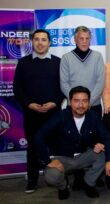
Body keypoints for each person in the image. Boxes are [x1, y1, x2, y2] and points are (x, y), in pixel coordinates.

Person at [34, 86, 110, 200]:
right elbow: (39, 137)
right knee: (51, 176)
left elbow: (106, 137)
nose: (81, 105)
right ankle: (63, 186)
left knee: (103, 155)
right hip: (62, 158)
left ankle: (89, 182)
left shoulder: (94, 117)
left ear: (89, 103)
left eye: (84, 101)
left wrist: (109, 158)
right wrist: (48, 160)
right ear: (70, 102)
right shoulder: (60, 116)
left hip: (83, 155)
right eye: (77, 101)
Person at [13, 29, 64, 193]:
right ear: (32, 42)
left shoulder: (58, 62)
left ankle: (58, 178)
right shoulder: (23, 63)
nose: (40, 43)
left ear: (49, 43)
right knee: (33, 147)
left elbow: (63, 87)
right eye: (37, 39)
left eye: (44, 40)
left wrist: (55, 103)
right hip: (31, 113)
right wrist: (29, 104)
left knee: (55, 147)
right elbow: (17, 89)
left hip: (53, 113)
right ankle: (33, 180)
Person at [60, 26, 105, 116]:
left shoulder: (98, 56)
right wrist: (76, 102)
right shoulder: (66, 58)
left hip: (93, 106)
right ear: (75, 40)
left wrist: (88, 102)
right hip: (73, 107)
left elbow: (100, 82)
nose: (84, 41)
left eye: (87, 38)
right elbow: (64, 84)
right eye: (81, 38)